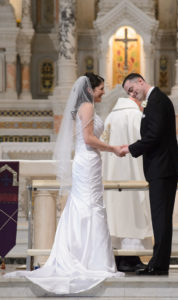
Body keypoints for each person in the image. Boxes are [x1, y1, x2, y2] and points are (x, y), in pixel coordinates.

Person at [4, 73, 124, 294]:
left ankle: (86, 256)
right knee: (88, 207)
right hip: (87, 160)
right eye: (100, 89)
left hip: (88, 160)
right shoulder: (87, 107)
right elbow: (88, 139)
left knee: (87, 206)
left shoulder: (85, 106)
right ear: (90, 89)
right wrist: (113, 148)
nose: (103, 92)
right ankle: (89, 260)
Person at [121, 73, 178, 276]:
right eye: (128, 93)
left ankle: (157, 265)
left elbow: (154, 135)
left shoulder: (157, 101)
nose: (132, 94)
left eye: (132, 89)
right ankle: (159, 264)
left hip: (163, 169)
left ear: (140, 81)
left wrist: (130, 149)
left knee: (161, 219)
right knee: (161, 219)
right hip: (162, 168)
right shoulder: (155, 100)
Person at [102, 96, 153, 272]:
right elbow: (145, 143)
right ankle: (130, 258)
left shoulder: (110, 116)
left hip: (112, 173)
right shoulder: (135, 116)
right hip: (131, 172)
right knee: (132, 213)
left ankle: (119, 257)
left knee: (116, 215)